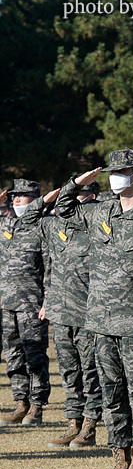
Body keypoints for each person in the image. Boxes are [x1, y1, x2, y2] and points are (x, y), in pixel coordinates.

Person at [56, 150, 133, 469]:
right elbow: (63, 209)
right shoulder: (101, 210)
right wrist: (79, 181)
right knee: (111, 394)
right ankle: (119, 460)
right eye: (111, 172)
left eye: (122, 171)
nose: (115, 177)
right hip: (100, 323)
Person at [23, 182, 102, 447]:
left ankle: (90, 427)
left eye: (76, 197)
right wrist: (49, 196)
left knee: (90, 372)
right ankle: (73, 423)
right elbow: (28, 217)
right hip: (60, 311)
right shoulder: (55, 226)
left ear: (91, 198)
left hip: (88, 313)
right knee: (69, 372)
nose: (68, 203)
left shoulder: (97, 226)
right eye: (66, 198)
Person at [0, 179, 52, 426]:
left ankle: (37, 406)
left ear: (35, 200)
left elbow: (50, 269)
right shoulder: (7, 224)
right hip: (7, 304)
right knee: (13, 354)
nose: (16, 199)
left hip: (32, 304)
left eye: (22, 196)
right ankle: (21, 402)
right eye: (14, 196)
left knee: (35, 356)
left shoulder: (43, 228)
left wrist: (47, 302)